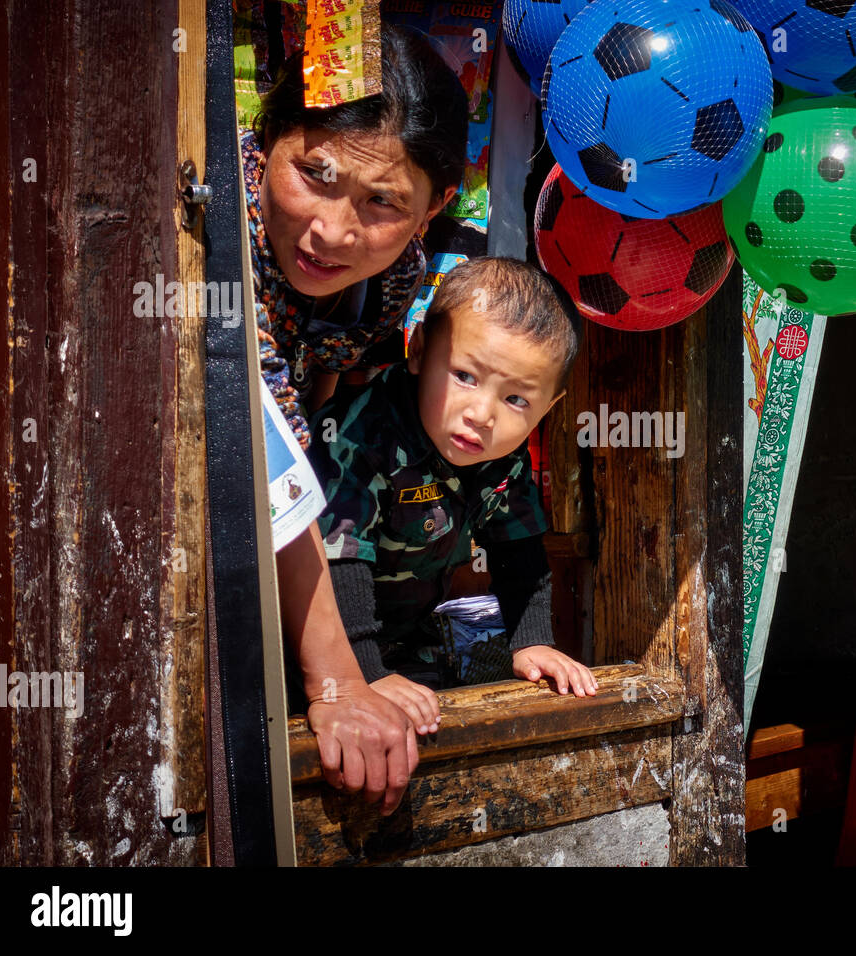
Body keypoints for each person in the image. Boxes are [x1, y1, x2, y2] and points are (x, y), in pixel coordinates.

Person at [242, 23, 469, 815]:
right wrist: (338, 679)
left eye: (382, 204)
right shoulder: (215, 245)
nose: (333, 232)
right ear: (267, 139)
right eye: (313, 174)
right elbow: (265, 447)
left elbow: (319, 430)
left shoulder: (399, 275)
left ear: (436, 206)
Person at [307, 257, 597, 730]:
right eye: (465, 376)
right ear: (418, 349)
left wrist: (532, 642)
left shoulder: (504, 456)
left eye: (516, 399)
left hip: (406, 636)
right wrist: (363, 674)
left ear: (549, 408)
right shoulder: (360, 436)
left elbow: (518, 548)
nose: (482, 413)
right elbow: (335, 559)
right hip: (315, 649)